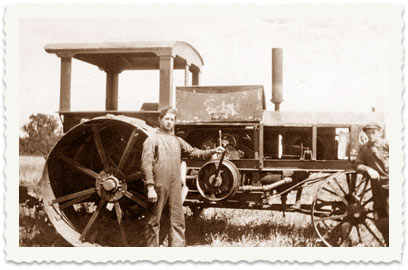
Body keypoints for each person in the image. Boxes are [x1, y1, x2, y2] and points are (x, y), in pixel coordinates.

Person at [140, 107, 224, 247]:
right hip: (159, 186)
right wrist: (150, 187)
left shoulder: (177, 141)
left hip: (175, 187)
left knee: (177, 220)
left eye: (172, 120)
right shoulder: (152, 140)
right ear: (160, 120)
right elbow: (146, 164)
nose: (169, 122)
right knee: (153, 221)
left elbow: (194, 152)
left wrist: (213, 151)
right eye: (167, 119)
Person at [354, 123, 389, 245]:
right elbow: (357, 164)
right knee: (380, 218)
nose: (371, 135)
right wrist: (368, 169)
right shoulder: (364, 149)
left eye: (374, 132)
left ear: (380, 132)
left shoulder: (387, 144)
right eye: (368, 132)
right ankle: (388, 243)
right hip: (378, 189)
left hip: (391, 187)